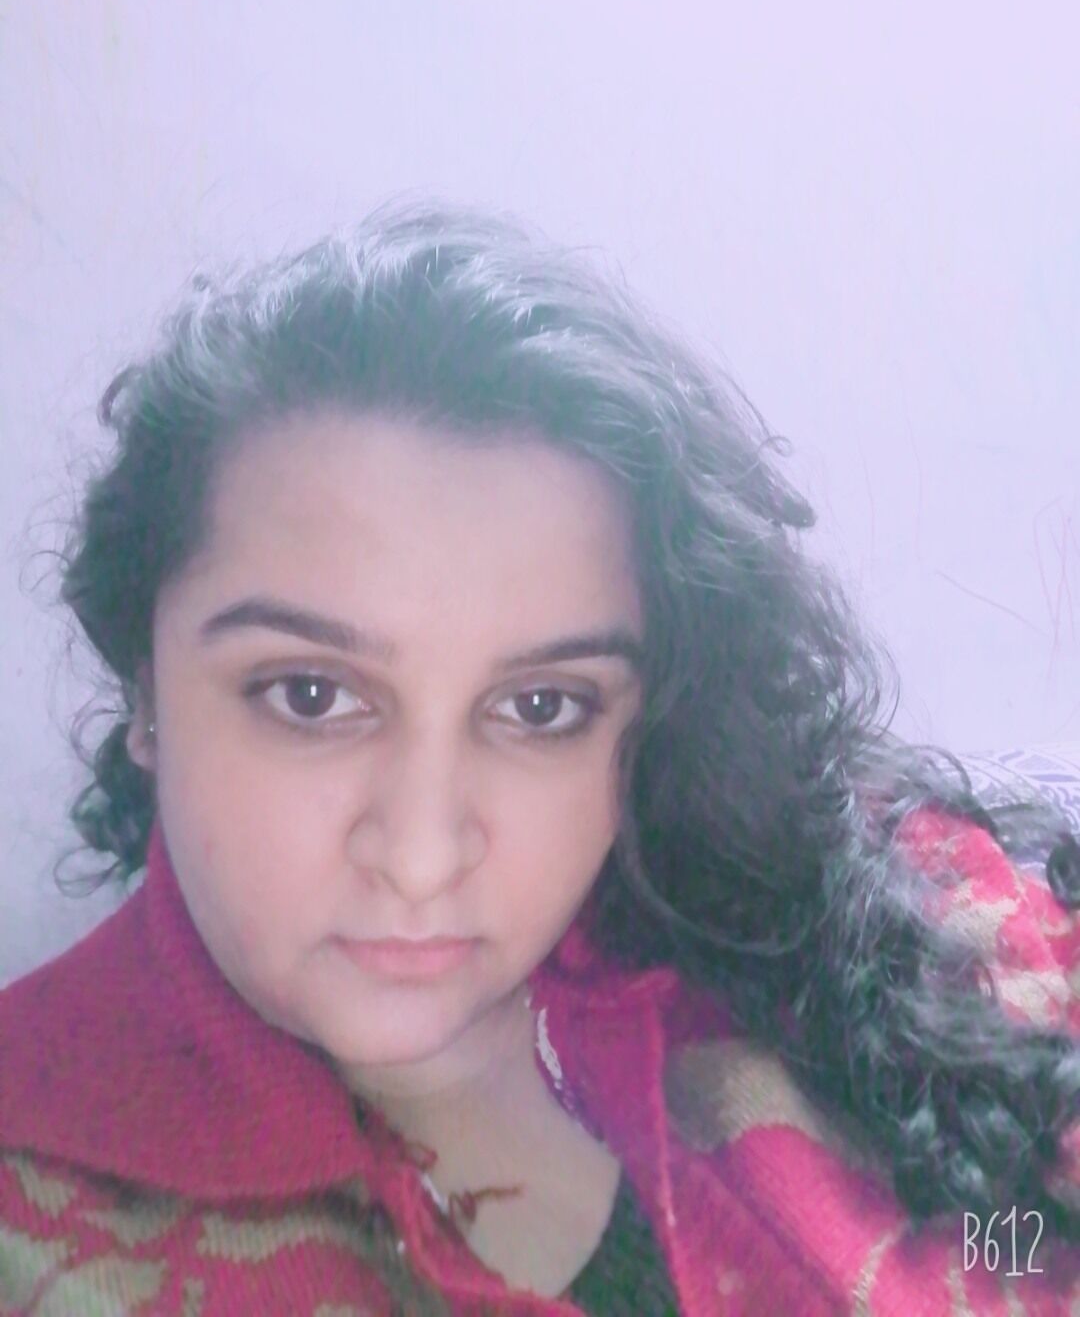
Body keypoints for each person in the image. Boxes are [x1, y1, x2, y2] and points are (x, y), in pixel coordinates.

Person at [0, 198, 1076, 1316]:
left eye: (541, 706)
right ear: (146, 691)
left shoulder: (880, 933)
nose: (421, 855)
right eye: (311, 696)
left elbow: (1014, 1235)